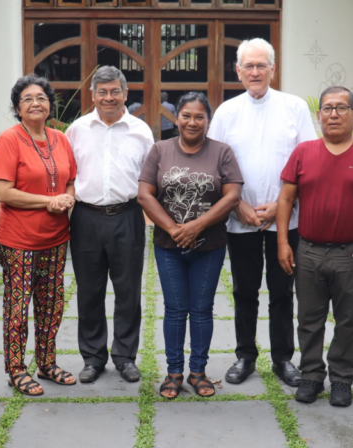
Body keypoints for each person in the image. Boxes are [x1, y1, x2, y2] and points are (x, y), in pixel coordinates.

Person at [207, 38, 317, 387]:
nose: (255, 72)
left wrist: (283, 203)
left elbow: (308, 161)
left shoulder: (294, 107)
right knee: (244, 291)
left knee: (283, 291)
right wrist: (236, 204)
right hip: (241, 220)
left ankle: (283, 358)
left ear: (273, 69)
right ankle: (245, 355)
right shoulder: (226, 112)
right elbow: (214, 163)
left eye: (261, 65)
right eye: (248, 66)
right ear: (238, 71)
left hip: (286, 220)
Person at [277, 86, 353, 406]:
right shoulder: (303, 152)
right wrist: (283, 242)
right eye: (327, 108)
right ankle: (312, 375)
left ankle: (342, 379)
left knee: (348, 321)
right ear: (319, 116)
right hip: (308, 250)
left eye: (341, 108)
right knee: (308, 320)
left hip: (352, 253)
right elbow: (286, 198)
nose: (333, 114)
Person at [138, 92, 243, 399]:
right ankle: (174, 372)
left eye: (199, 117)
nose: (192, 122)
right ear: (177, 118)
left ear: (208, 121)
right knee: (174, 310)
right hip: (168, 246)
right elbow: (145, 194)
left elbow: (232, 195)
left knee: (201, 310)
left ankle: (198, 371)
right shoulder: (160, 150)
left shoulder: (222, 152)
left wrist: (197, 226)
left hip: (209, 246)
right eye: (186, 116)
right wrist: (174, 229)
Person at [66, 66, 154, 384]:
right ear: (92, 95)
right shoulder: (76, 130)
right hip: (86, 217)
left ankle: (125, 357)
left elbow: (150, 178)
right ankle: (93, 358)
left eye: (115, 91)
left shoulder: (141, 132)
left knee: (128, 291)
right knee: (89, 291)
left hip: (127, 217)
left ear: (125, 94)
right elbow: (67, 175)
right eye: (102, 92)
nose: (108, 97)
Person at [0, 75, 78, 395]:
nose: (35, 103)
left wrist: (67, 198)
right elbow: (3, 192)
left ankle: (46, 362)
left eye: (41, 98)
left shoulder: (61, 139)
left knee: (51, 303)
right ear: (17, 108)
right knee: (18, 306)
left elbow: (70, 179)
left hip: (56, 238)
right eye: (27, 99)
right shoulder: (9, 140)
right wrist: (48, 201)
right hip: (19, 240)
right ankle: (16, 369)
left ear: (50, 105)